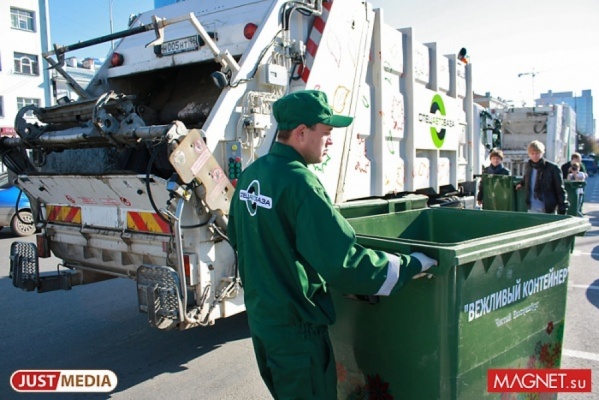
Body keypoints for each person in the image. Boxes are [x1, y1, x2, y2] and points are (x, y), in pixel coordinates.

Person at [227, 90, 438, 400]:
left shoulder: (251, 175)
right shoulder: (301, 183)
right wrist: (412, 264)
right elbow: (344, 264)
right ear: (301, 133)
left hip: (263, 322)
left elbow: (238, 236)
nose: (330, 141)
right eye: (325, 132)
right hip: (297, 332)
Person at [516, 140, 568, 214]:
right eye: (532, 153)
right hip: (532, 207)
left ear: (542, 153)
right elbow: (527, 178)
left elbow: (560, 189)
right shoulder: (529, 166)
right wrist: (521, 183)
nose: (535, 156)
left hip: (548, 208)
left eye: (537, 153)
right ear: (529, 154)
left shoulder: (552, 168)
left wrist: (563, 207)